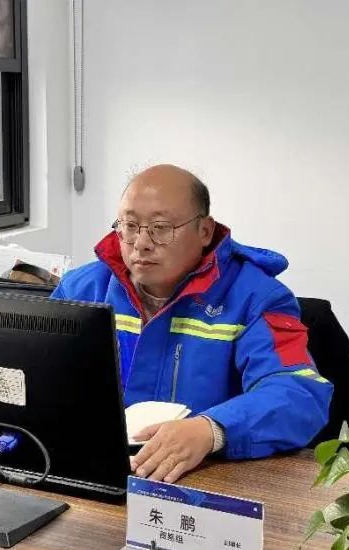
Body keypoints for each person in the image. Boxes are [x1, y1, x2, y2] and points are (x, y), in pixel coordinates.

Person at [51, 164, 332, 483]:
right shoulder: (81, 290)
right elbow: (38, 377)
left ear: (205, 231)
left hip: (208, 482)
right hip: (97, 471)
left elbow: (300, 393)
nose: (141, 243)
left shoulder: (257, 298)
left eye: (160, 228)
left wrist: (212, 430)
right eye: (129, 226)